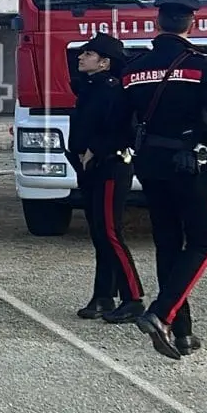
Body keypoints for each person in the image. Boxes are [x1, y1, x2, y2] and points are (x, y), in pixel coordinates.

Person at [121, 0, 207, 360]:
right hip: (189, 166)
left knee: (168, 244)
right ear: (191, 23)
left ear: (155, 22)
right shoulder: (199, 65)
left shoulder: (132, 69)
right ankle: (161, 315)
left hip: (149, 166)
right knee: (202, 243)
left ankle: (183, 334)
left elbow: (122, 120)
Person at [66, 32, 146, 323]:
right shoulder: (90, 88)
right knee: (99, 233)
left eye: (88, 54)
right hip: (91, 169)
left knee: (112, 233)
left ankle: (133, 297)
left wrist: (93, 150)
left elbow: (122, 130)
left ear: (104, 62)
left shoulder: (113, 90)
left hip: (111, 166)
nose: (80, 57)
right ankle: (103, 296)